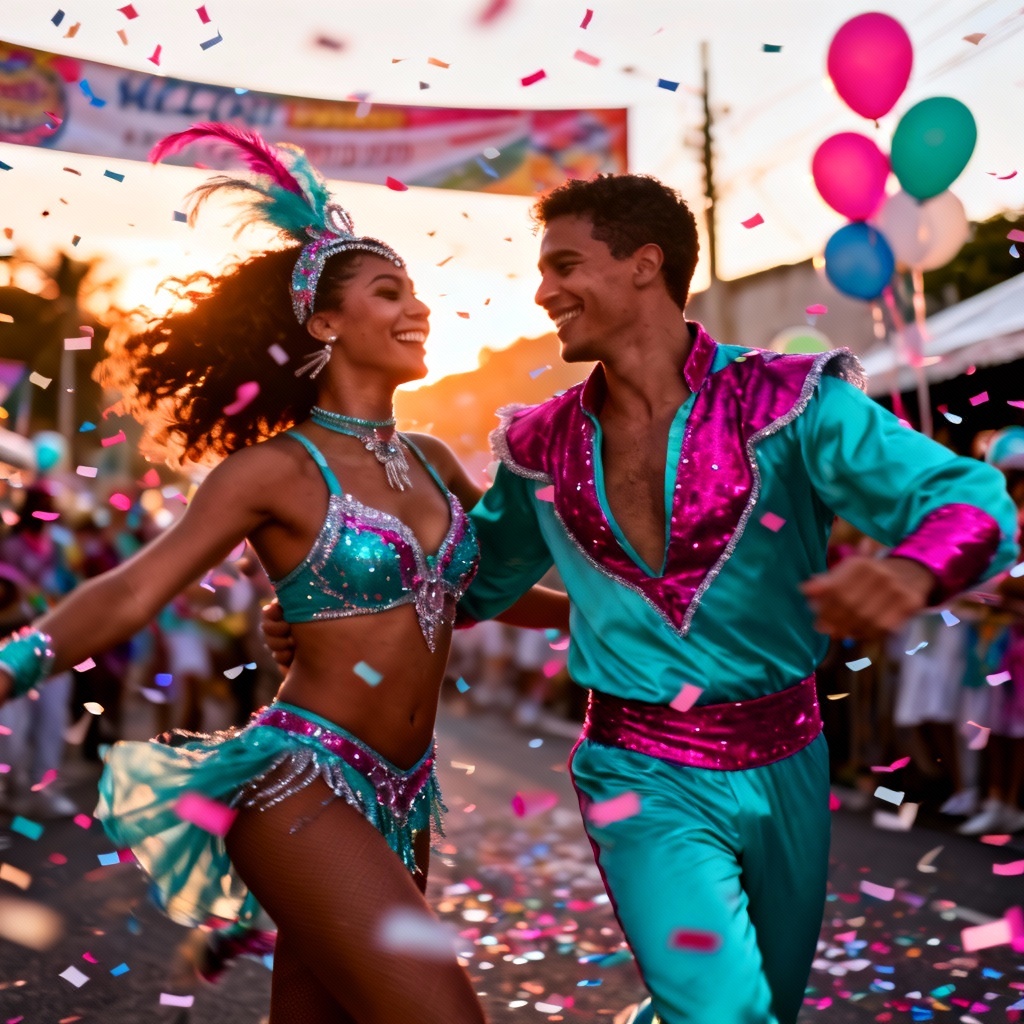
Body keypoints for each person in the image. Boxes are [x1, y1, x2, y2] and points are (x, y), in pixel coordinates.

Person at [261, 173, 1021, 1024]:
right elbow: (463, 581)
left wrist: (915, 571)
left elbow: (968, 496)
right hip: (639, 767)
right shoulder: (539, 447)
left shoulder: (791, 401)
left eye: (564, 266)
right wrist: (327, 606)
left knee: (761, 1009)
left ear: (644, 265)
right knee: (723, 1011)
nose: (543, 293)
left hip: (792, 758)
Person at [0, 124, 565, 1024]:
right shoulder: (273, 471)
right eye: (389, 292)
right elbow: (138, 587)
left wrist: (613, 610)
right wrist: (13, 665)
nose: (417, 308)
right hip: (304, 778)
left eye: (415, 291)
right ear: (325, 323)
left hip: (406, 791)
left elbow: (485, 589)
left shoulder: (431, 462)